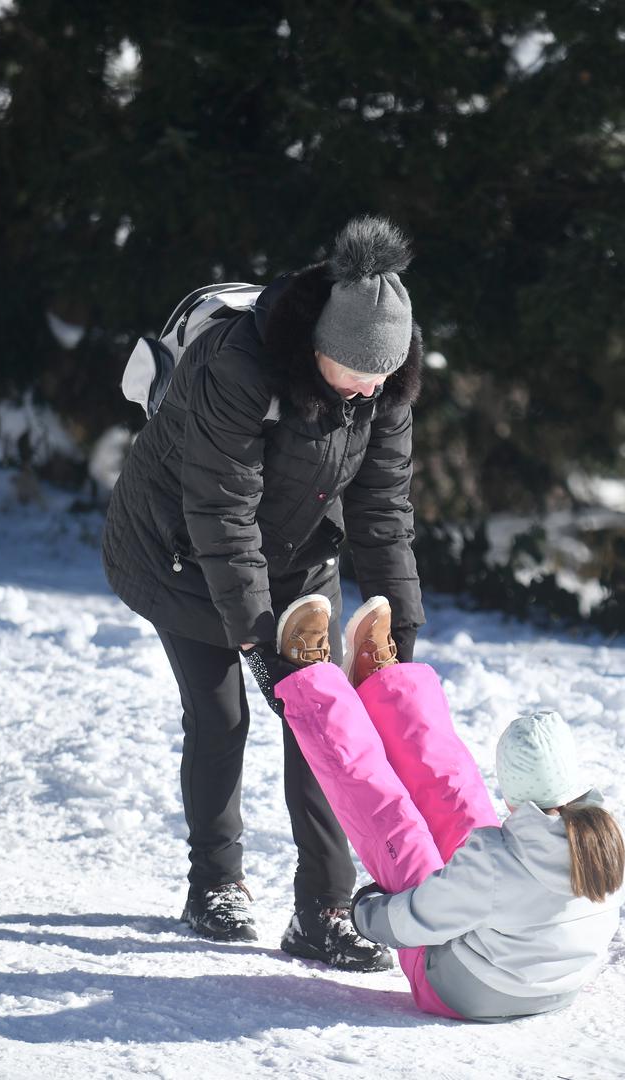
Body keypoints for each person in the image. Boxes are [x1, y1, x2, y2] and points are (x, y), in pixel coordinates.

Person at [101, 215, 425, 970]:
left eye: (383, 375)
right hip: (179, 552)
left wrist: (397, 630)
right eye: (357, 373)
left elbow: (383, 510)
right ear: (317, 347)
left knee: (324, 722)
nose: (371, 389)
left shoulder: (385, 386)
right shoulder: (239, 368)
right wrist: (254, 633)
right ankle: (214, 883)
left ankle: (323, 911)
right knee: (221, 717)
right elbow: (220, 510)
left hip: (298, 557)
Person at [265, 594, 625, 1021]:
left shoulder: (495, 864)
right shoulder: (608, 837)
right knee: (460, 800)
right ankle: (383, 685)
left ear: (514, 794)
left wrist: (366, 914)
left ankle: (312, 685)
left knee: (395, 827)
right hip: (559, 987)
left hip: (462, 988)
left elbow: (416, 921)